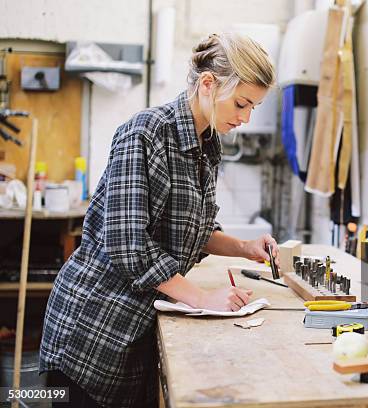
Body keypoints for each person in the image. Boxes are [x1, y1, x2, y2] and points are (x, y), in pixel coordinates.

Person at [40, 33, 278, 408]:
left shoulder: (206, 144)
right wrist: (203, 298)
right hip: (96, 330)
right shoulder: (146, 133)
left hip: (136, 330)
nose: (245, 118)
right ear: (207, 84)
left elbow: (189, 230)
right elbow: (128, 244)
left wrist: (243, 248)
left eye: (254, 107)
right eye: (241, 103)